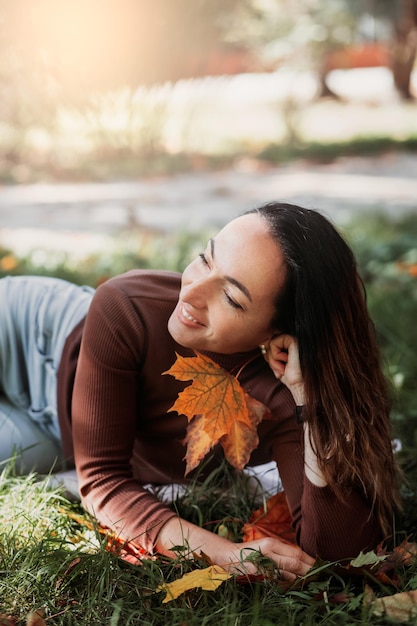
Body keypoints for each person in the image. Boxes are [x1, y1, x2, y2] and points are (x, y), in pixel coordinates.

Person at [0, 202, 399, 581]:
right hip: (30, 335)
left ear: (278, 333)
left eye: (230, 297)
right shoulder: (126, 306)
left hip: (55, 425)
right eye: (206, 258)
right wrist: (223, 554)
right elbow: (102, 480)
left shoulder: (282, 398)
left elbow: (337, 550)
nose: (190, 293)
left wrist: (310, 407)